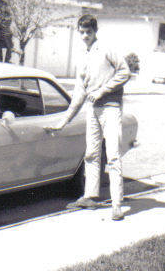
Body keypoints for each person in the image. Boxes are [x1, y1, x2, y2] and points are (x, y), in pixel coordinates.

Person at [51, 14, 131, 221]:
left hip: (111, 107)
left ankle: (117, 205)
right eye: (82, 32)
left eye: (89, 32)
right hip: (93, 109)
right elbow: (80, 91)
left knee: (112, 155)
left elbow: (124, 72)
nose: (85, 36)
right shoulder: (83, 56)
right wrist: (64, 120)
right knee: (91, 154)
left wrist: (103, 91)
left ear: (95, 31)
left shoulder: (106, 49)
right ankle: (90, 196)